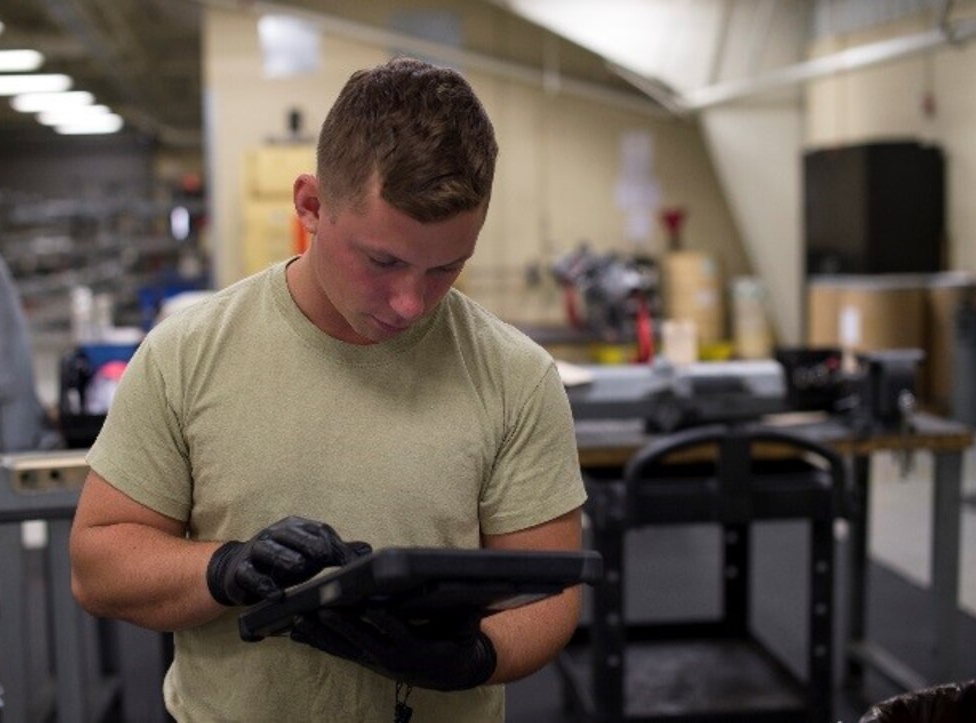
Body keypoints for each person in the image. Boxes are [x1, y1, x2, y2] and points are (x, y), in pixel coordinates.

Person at [69, 56, 587, 722]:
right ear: (311, 205)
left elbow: (549, 593)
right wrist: (225, 569)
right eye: (383, 261)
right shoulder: (187, 352)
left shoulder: (516, 375)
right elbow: (98, 561)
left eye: (445, 268)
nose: (409, 302)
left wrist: (472, 657)